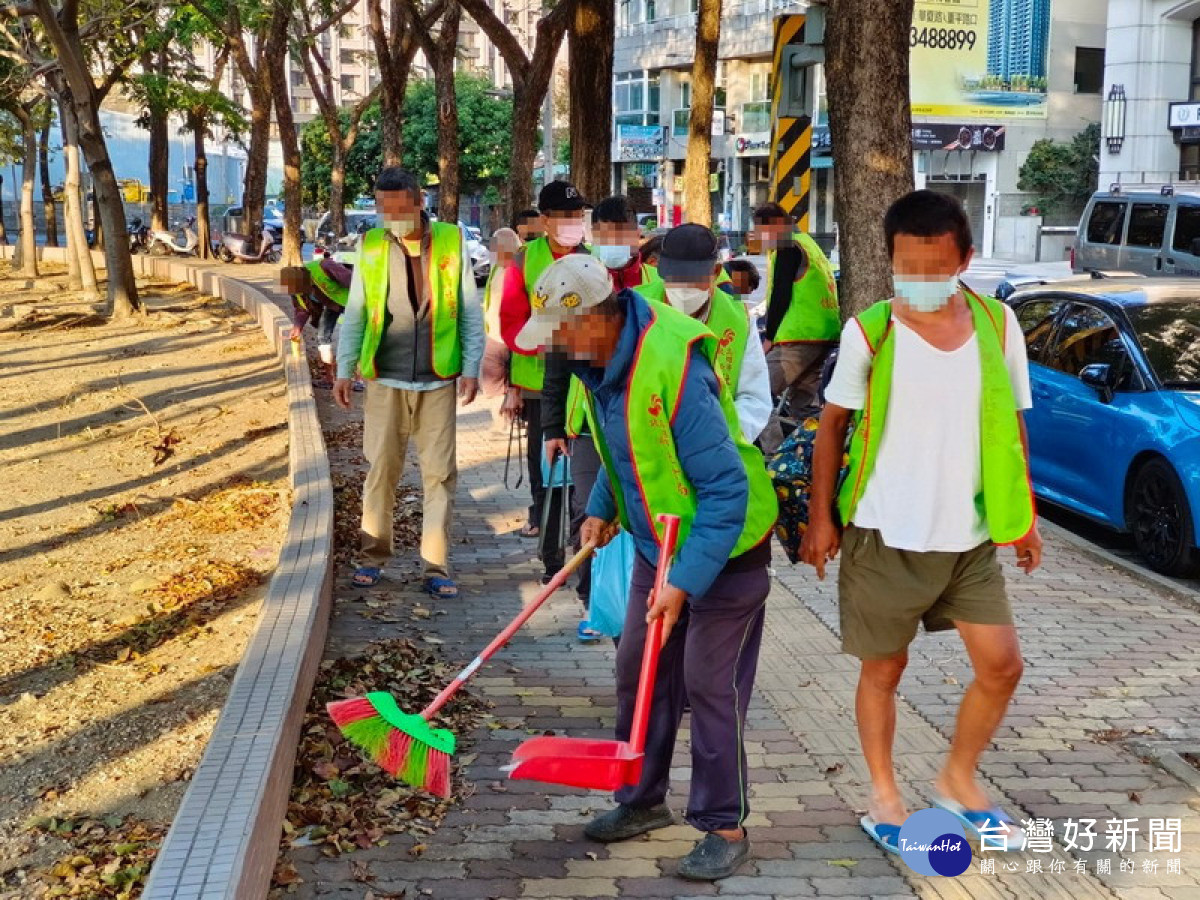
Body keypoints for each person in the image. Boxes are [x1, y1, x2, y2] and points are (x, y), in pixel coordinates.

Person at [516, 254, 778, 881]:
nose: (555, 349)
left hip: (727, 550)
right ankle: (640, 800)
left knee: (708, 685)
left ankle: (724, 825)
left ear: (599, 319)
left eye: (561, 333)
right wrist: (602, 508)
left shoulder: (672, 365)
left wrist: (684, 584)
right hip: (652, 542)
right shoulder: (595, 361)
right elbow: (626, 445)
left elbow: (724, 491)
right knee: (641, 667)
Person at [800, 190, 1040, 855]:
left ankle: (957, 781)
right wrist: (821, 520)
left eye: (937, 268)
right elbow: (831, 429)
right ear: (890, 261)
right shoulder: (869, 331)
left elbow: (1012, 423)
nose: (922, 282)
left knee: (1003, 666)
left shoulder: (998, 325)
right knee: (884, 671)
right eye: (909, 268)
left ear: (965, 257)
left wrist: (1024, 514)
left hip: (969, 538)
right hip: (884, 535)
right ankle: (884, 795)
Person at [334, 166, 484, 599]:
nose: (392, 216)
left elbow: (470, 312)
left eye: (400, 207)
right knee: (381, 472)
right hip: (385, 379)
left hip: (437, 380)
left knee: (440, 477)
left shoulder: (453, 242)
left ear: (420, 202)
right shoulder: (373, 245)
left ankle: (435, 565)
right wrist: (345, 369)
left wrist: (471, 367)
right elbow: (357, 312)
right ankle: (372, 554)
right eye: (384, 208)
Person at [542, 195, 662, 641]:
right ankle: (595, 602)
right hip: (588, 419)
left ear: (635, 235)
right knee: (586, 512)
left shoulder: (654, 281)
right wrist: (552, 427)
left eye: (622, 233)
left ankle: (634, 607)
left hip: (642, 418)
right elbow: (557, 356)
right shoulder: (577, 276)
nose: (613, 242)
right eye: (605, 233)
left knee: (637, 515)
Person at [499, 180, 591, 568]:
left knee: (583, 475)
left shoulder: (593, 258)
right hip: (539, 386)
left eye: (577, 215)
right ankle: (552, 558)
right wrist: (549, 345)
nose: (572, 223)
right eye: (564, 216)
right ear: (546, 220)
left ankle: (582, 555)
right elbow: (510, 320)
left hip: (586, 387)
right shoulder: (525, 259)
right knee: (547, 473)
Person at [653, 224, 772, 444]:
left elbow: (754, 398)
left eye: (693, 278)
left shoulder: (738, 320)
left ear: (715, 273)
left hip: (717, 444)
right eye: (676, 277)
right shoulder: (637, 310)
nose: (683, 287)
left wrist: (716, 436)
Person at [751, 203, 840, 420]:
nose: (761, 238)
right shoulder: (809, 244)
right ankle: (807, 450)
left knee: (755, 394)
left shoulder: (788, 246)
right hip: (824, 334)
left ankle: (774, 451)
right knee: (804, 407)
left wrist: (769, 337)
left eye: (762, 232)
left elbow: (781, 293)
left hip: (797, 337)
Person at [282, 257, 353, 386]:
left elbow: (354, 283)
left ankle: (359, 380)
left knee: (355, 337)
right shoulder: (295, 289)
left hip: (354, 303)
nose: (300, 293)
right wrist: (297, 328)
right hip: (332, 305)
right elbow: (302, 309)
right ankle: (329, 379)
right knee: (322, 337)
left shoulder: (324, 267)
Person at [481, 227, 521, 400]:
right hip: (494, 338)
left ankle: (509, 420)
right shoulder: (496, 269)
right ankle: (499, 421)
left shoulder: (521, 270)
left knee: (514, 386)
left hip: (514, 339)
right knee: (492, 388)